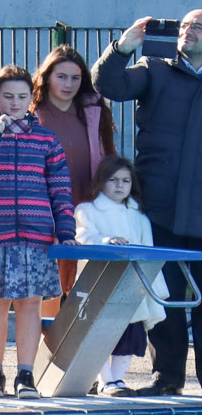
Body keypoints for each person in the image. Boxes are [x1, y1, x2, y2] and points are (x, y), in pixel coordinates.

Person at [94, 11, 202, 394]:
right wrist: (122, 48)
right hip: (161, 207)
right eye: (186, 26)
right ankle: (167, 376)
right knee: (165, 296)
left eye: (198, 27)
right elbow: (109, 84)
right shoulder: (154, 68)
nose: (188, 31)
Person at [0, 65, 74, 399]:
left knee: (29, 305)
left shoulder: (46, 138)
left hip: (35, 236)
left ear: (31, 98)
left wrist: (65, 230)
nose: (15, 102)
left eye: (22, 96)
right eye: (7, 96)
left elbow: (60, 188)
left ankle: (25, 375)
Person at [75, 156, 163, 396]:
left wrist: (156, 288)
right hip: (99, 286)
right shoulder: (87, 211)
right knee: (98, 334)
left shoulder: (139, 218)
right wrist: (105, 242)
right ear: (101, 182)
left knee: (131, 334)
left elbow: (150, 254)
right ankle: (105, 380)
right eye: (112, 180)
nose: (119, 185)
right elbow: (82, 236)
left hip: (132, 288)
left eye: (125, 180)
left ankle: (117, 379)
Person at [33, 45, 115, 204]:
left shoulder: (95, 111)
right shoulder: (30, 114)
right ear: (47, 77)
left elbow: (110, 158)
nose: (68, 85)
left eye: (75, 78)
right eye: (61, 77)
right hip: (44, 212)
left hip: (89, 212)